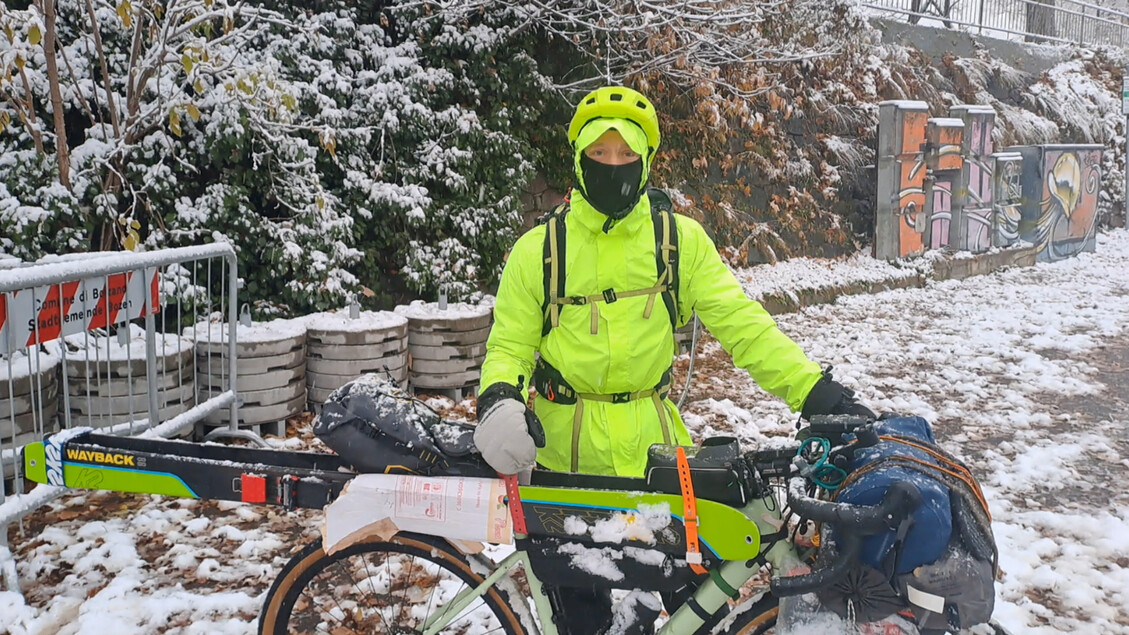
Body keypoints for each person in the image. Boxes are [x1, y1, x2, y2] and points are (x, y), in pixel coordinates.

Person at [473, 85, 875, 635]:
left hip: (661, 459)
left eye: (625, 155)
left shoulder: (677, 241)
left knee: (692, 611)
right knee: (590, 618)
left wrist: (813, 391)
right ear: (578, 158)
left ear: (645, 161)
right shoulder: (539, 251)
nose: (612, 166)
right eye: (599, 153)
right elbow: (511, 345)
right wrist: (499, 397)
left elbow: (742, 324)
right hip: (566, 465)